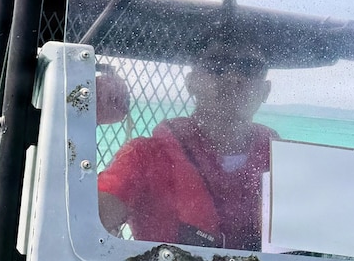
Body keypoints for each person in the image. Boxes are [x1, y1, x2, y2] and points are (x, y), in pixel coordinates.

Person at [98, 38, 276, 250]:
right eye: (216, 65)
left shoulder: (287, 165)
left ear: (266, 90)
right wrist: (84, 111)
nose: (233, 77)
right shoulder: (143, 157)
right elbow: (82, 223)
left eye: (249, 68)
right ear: (191, 83)